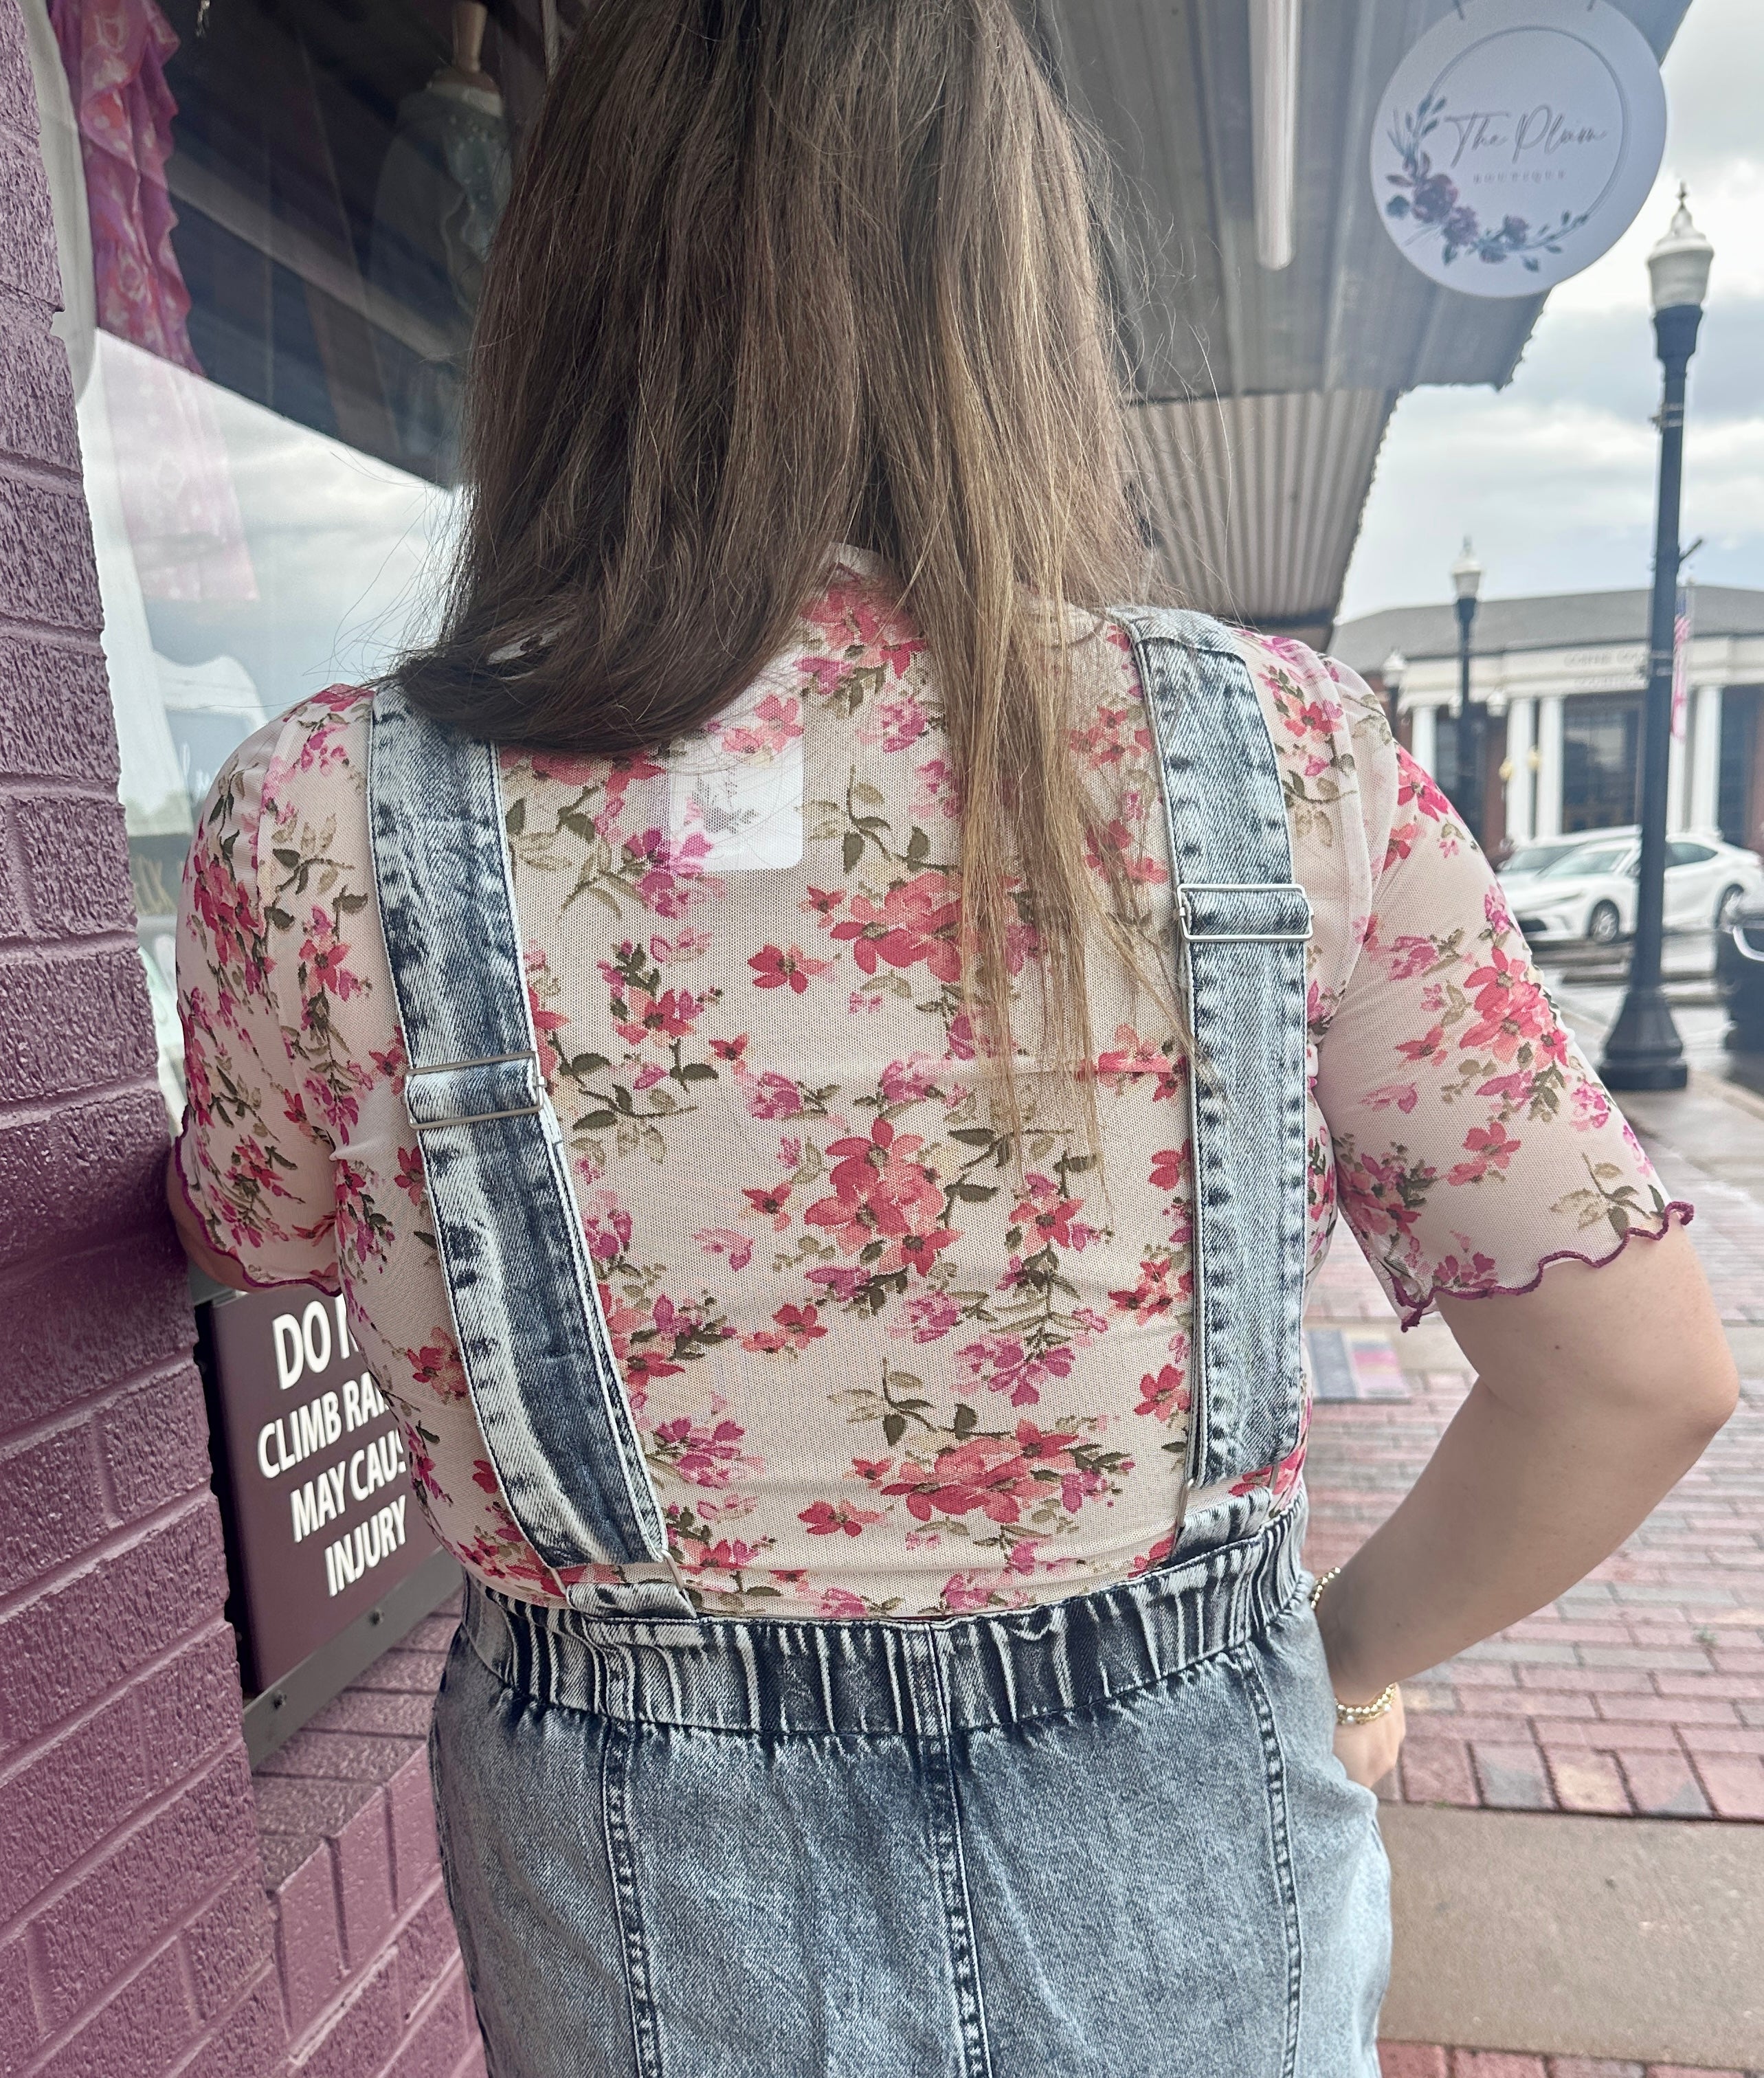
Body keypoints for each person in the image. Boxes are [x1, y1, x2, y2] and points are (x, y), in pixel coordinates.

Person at [168, 5, 1737, 2073]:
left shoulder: (321, 819)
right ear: (1012, 292)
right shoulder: (1278, 767)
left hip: (637, 1898)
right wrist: (1316, 1657)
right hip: (1197, 1850)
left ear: (563, 303)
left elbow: (254, 1240)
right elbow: (1640, 1380)